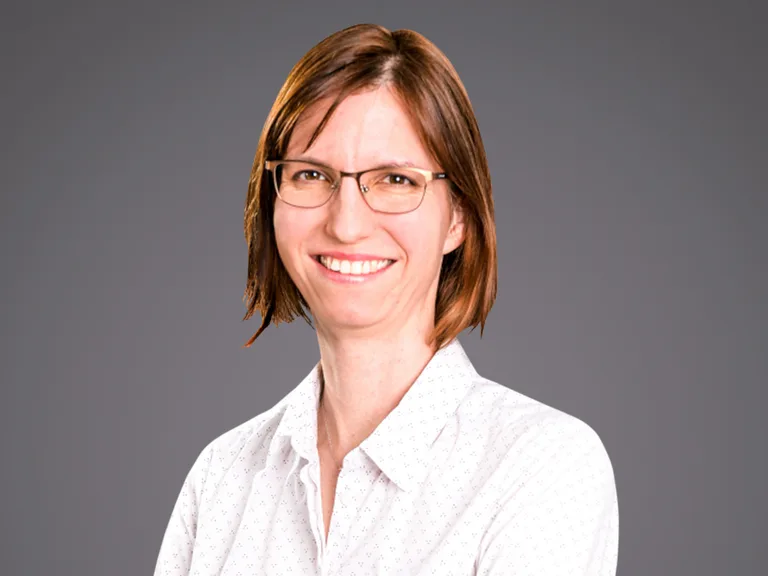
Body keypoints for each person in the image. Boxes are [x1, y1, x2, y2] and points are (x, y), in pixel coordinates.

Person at [153, 23, 619, 576]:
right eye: (310, 174)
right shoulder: (222, 479)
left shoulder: (542, 467)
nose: (347, 224)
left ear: (458, 219)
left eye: (395, 180)